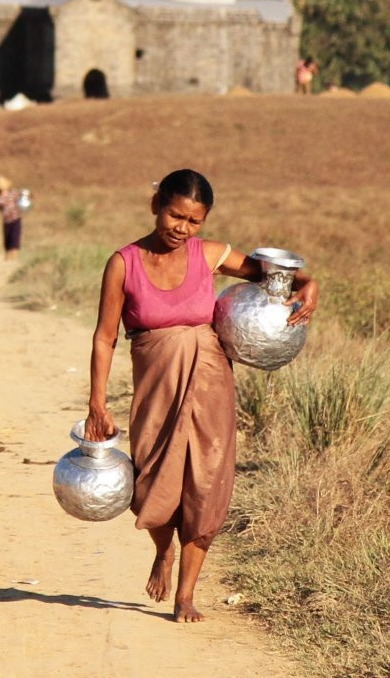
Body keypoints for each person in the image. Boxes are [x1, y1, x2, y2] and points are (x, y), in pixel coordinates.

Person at [84, 169, 317, 623]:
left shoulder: (209, 255)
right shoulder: (123, 263)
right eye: (175, 215)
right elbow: (104, 337)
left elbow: (278, 276)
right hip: (156, 387)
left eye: (194, 221)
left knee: (205, 482)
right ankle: (162, 551)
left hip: (210, 385)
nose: (182, 229)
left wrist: (311, 283)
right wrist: (97, 402)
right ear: (156, 206)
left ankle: (186, 595)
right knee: (152, 479)